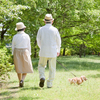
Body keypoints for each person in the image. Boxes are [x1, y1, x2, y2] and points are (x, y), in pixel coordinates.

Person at [36, 14, 61, 88]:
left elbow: (38, 40)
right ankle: (49, 83)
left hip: (43, 51)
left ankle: (42, 76)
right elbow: (58, 41)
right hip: (52, 51)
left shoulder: (41, 29)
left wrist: (41, 47)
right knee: (52, 68)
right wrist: (58, 50)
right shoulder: (55, 29)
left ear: (44, 21)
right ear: (52, 21)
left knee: (41, 65)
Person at [12, 22, 33, 87]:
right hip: (25, 51)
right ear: (24, 29)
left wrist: (13, 54)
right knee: (26, 67)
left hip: (17, 51)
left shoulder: (15, 36)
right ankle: (22, 80)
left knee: (18, 67)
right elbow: (29, 45)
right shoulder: (26, 36)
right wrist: (29, 53)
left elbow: (13, 46)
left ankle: (19, 81)